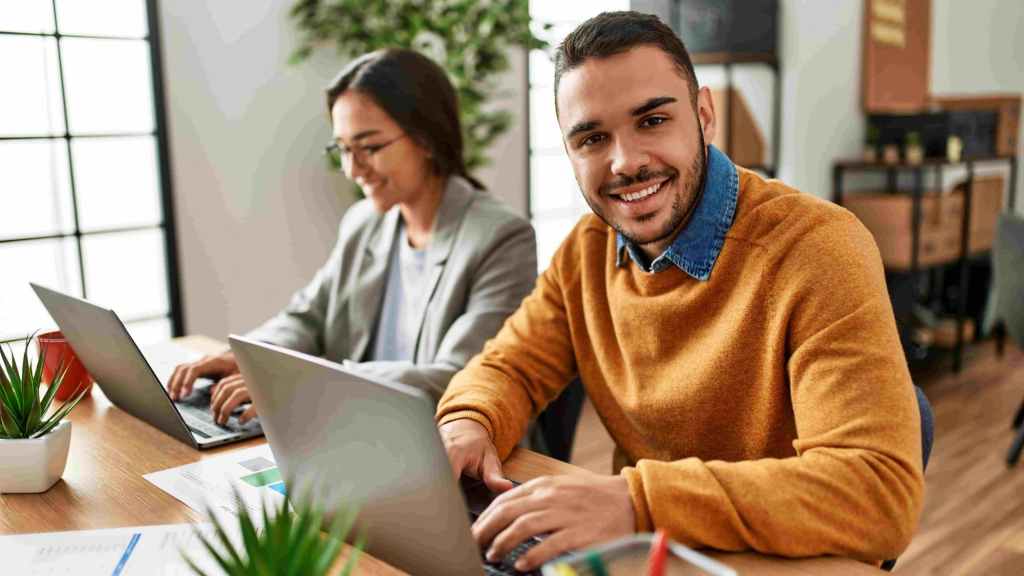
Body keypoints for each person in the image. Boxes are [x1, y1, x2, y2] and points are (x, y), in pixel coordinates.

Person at [436, 11, 924, 572]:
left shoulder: (818, 248)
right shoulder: (588, 247)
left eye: (652, 121)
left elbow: (876, 492)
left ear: (704, 114)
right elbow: (510, 366)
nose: (625, 162)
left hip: (773, 559)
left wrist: (639, 503)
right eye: (593, 138)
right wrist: (468, 419)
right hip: (646, 553)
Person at [168, 49, 537, 424]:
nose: (352, 169)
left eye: (369, 147)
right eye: (343, 149)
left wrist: (309, 383)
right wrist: (248, 358)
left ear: (427, 138)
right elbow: (308, 317)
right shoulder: (364, 222)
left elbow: (459, 377)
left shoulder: (501, 237)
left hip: (450, 444)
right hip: (359, 429)